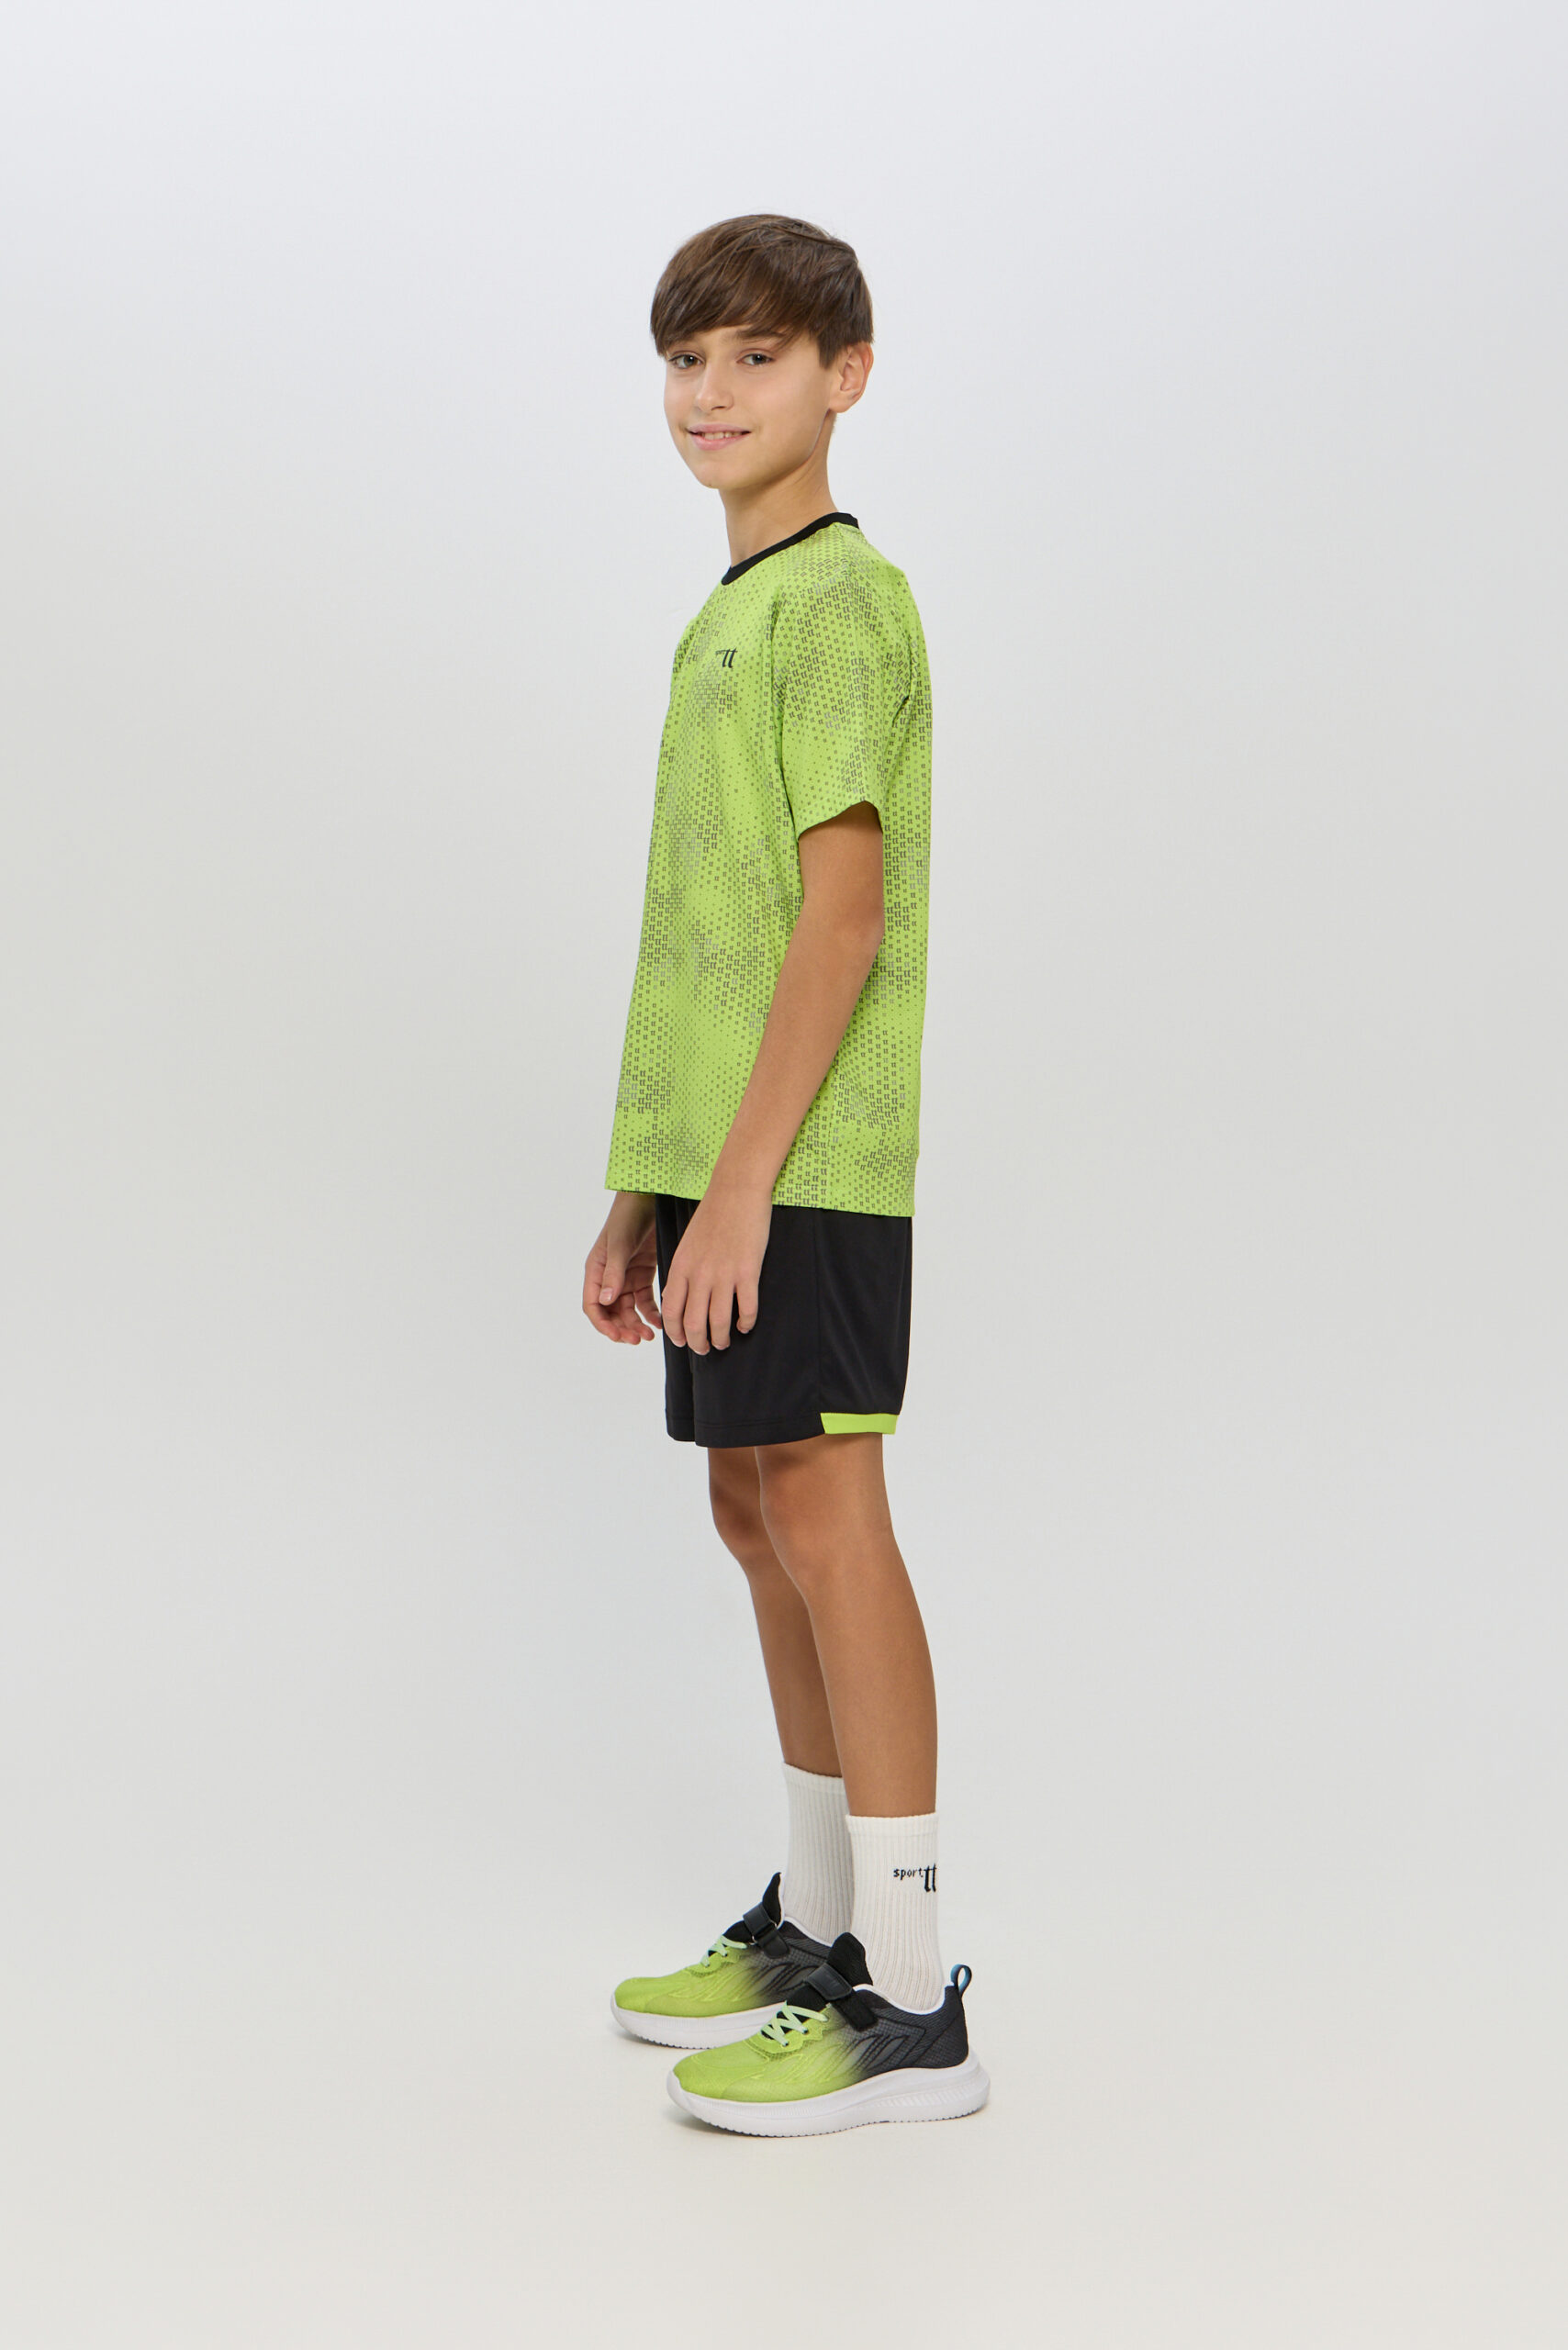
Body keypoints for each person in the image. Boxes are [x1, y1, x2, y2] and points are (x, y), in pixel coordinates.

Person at [581, 214, 987, 2136]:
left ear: (847, 375)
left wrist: (743, 1186)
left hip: (806, 1157)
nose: (712, 392)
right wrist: (647, 1185)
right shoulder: (730, 607)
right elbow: (706, 932)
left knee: (827, 1511)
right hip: (725, 1158)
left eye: (756, 355)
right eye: (687, 358)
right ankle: (821, 1928)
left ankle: (908, 1997)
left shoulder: (837, 600)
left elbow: (840, 919)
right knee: (753, 1512)